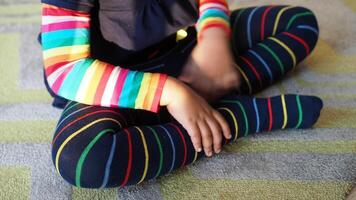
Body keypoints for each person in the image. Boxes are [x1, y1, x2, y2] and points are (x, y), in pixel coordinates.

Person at [40, 0, 323, 188]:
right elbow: (64, 70)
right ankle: (232, 117)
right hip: (117, 81)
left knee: (299, 22)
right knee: (81, 158)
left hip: (187, 54)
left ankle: (208, 93)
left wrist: (214, 37)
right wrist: (169, 93)